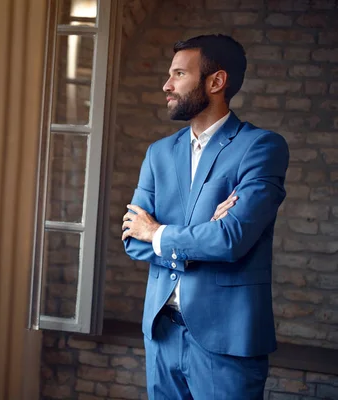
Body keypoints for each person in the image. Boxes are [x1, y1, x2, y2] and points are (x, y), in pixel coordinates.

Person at [121, 34, 289, 399]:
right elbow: (134, 240)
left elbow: (231, 240)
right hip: (162, 333)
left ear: (216, 82)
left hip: (226, 341)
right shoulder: (159, 153)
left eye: (179, 74)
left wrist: (159, 233)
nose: (167, 85)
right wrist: (201, 233)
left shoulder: (261, 148)